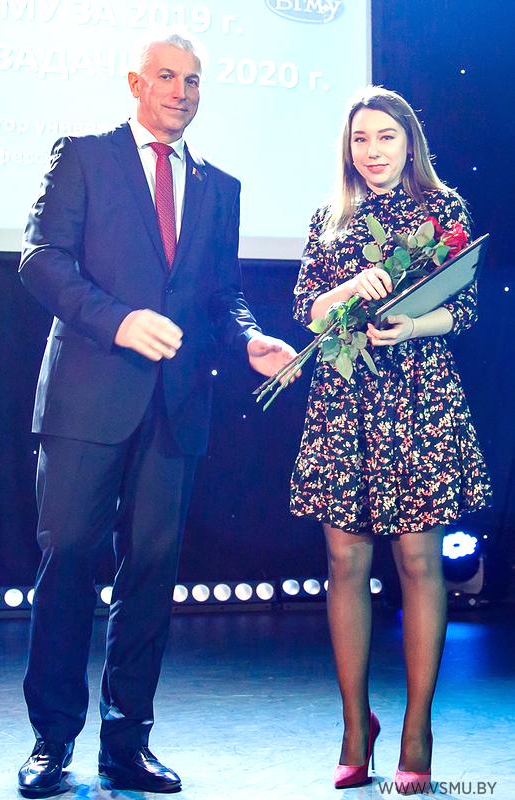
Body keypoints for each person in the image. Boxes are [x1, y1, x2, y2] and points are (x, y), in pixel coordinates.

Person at [17, 33, 297, 796]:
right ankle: (51, 742)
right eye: (167, 77)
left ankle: (127, 743)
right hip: (87, 399)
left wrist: (248, 338)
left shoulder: (218, 186)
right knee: (69, 563)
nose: (180, 91)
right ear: (135, 83)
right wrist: (117, 321)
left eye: (193, 81)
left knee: (149, 575)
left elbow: (221, 294)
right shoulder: (84, 156)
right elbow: (41, 259)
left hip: (176, 409)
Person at [290, 86, 492, 793]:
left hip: (417, 399)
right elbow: (307, 310)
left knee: (416, 559)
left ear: (410, 143)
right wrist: (347, 289)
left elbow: (464, 308)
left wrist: (411, 325)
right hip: (344, 400)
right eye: (360, 139)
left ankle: (416, 730)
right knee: (344, 561)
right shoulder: (329, 218)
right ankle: (354, 727)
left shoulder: (443, 209)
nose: (372, 151)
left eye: (385, 137)